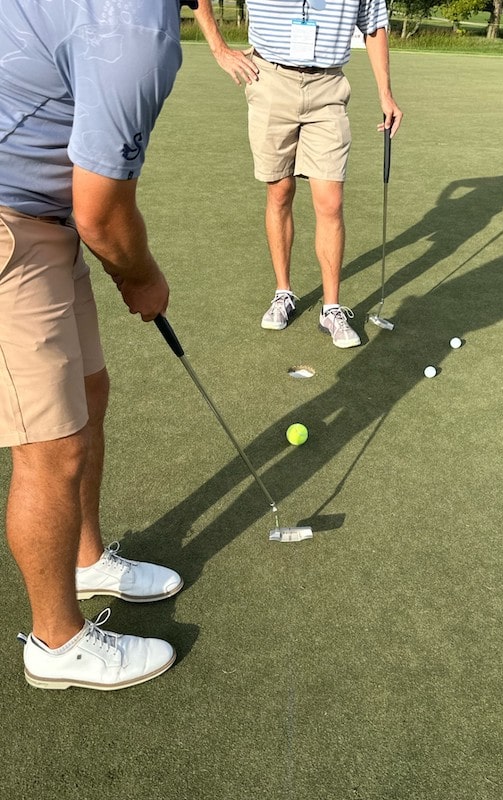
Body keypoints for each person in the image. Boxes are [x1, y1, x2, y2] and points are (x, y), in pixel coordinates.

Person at [0, 1, 199, 690]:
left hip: (43, 221)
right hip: (8, 222)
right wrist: (140, 278)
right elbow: (101, 210)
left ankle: (87, 562)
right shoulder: (134, 26)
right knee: (50, 446)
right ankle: (56, 644)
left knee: (89, 395)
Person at [194, 0, 402, 348]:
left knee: (331, 202)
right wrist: (219, 49)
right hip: (269, 79)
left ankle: (332, 308)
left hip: (328, 87)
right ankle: (283, 292)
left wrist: (385, 92)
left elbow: (374, 24)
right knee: (279, 192)